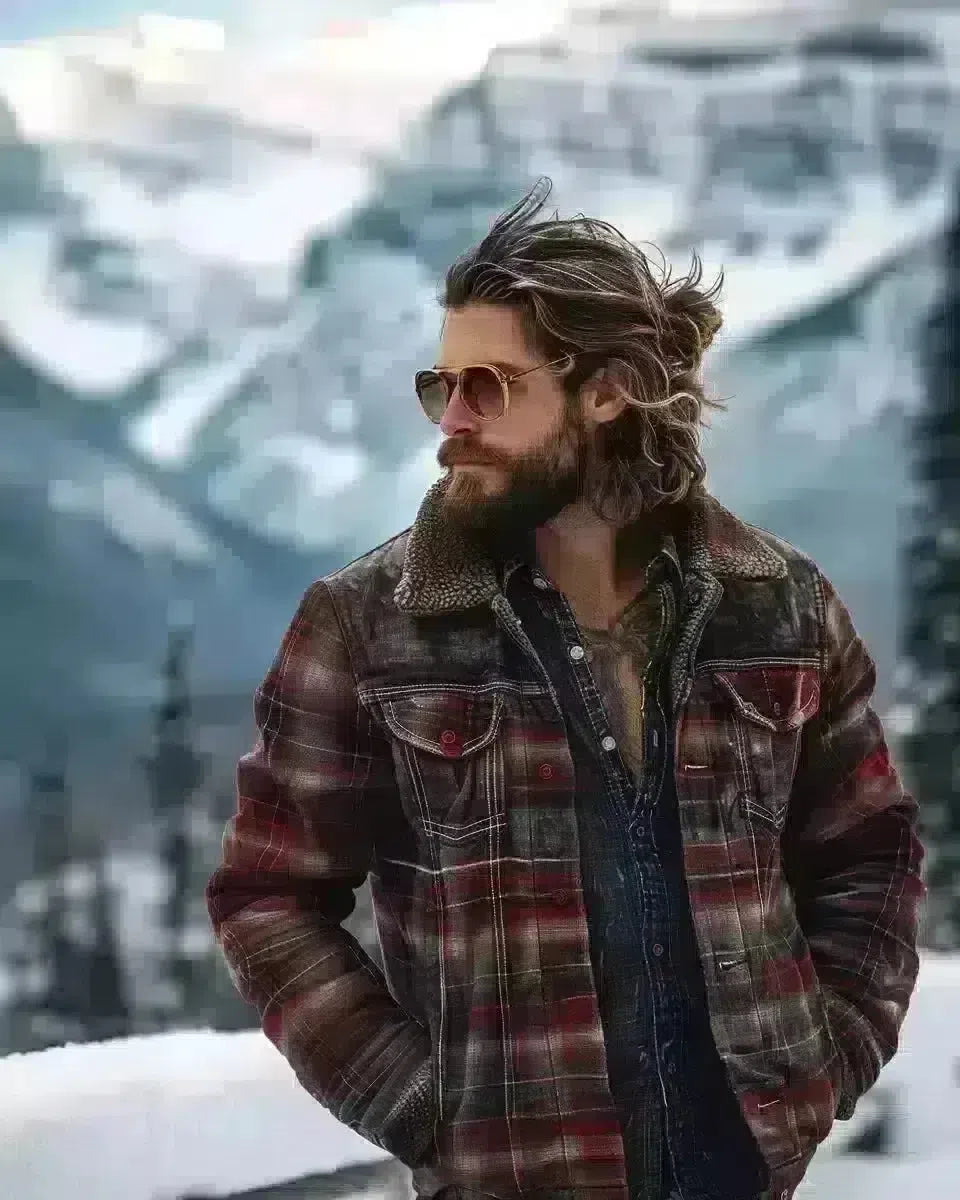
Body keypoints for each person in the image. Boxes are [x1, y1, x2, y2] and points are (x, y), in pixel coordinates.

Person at [206, 178, 926, 1200]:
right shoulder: (367, 623)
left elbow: (871, 854)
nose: (450, 420)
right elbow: (267, 895)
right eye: (439, 386)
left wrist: (828, 1059)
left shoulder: (783, 608)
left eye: (489, 387)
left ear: (605, 391)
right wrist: (419, 1103)